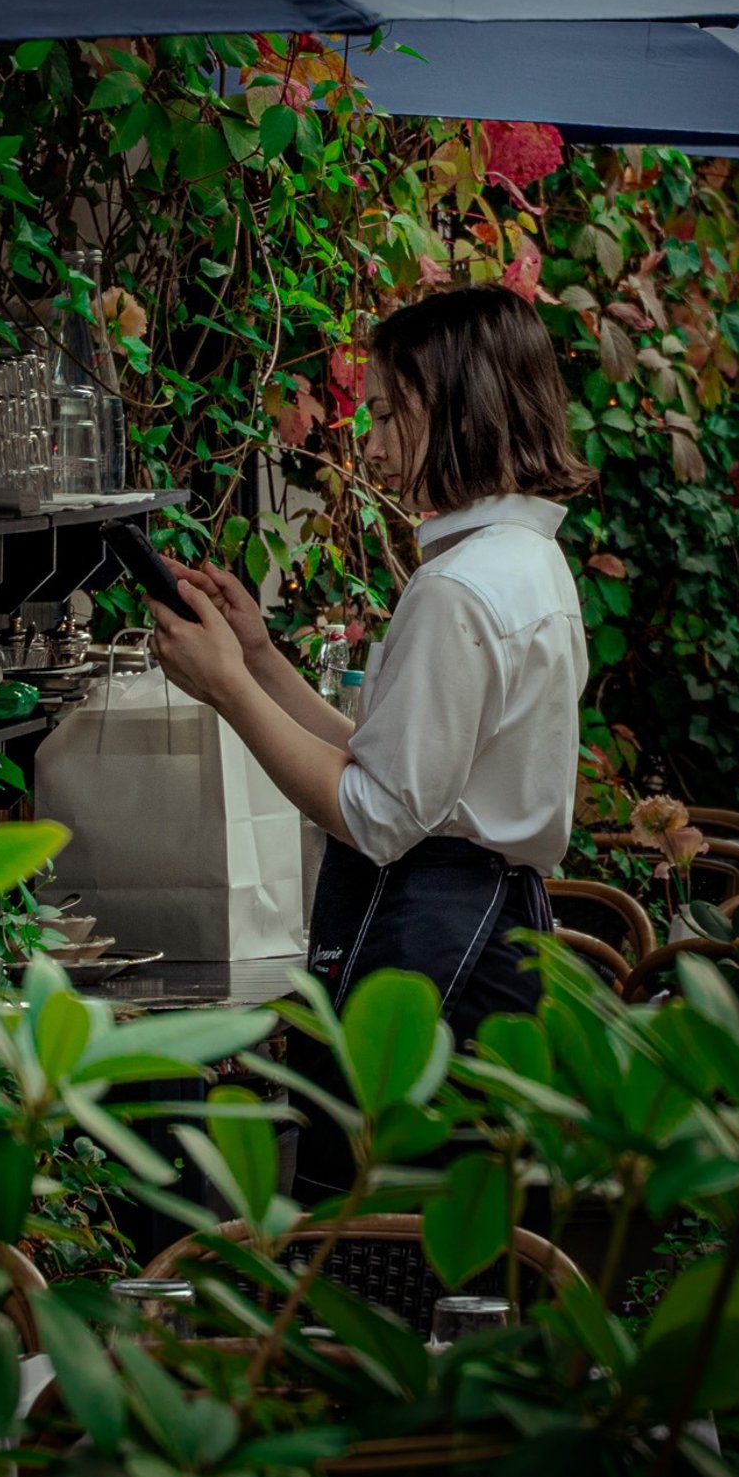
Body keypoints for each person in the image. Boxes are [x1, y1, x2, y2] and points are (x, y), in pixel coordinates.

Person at [147, 286, 590, 1203]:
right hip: (492, 925)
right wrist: (264, 661)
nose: (373, 444)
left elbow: (378, 813)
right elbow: (408, 774)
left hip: (437, 936)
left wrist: (227, 688)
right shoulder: (526, 561)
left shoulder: (459, 589)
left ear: (463, 407)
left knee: (384, 1233)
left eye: (390, 413)